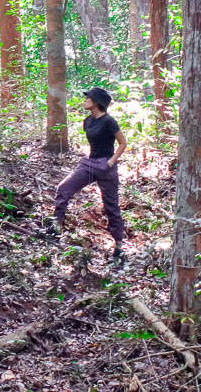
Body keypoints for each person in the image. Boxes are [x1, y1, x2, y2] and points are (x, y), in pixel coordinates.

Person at [49, 87, 128, 267]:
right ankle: (55, 228)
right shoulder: (87, 121)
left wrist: (111, 162)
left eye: (88, 98)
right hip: (90, 163)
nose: (84, 101)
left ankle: (119, 247)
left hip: (106, 166)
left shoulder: (109, 121)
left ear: (97, 102)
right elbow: (95, 144)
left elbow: (123, 143)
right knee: (63, 188)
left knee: (111, 206)